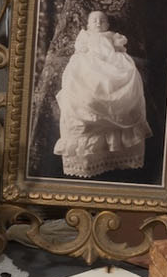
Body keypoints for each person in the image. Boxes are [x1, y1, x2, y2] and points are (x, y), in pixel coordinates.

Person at [52, 11, 151, 178]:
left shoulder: (112, 36)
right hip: (90, 67)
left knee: (122, 86)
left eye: (102, 20)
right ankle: (89, 152)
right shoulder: (85, 36)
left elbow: (120, 49)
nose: (98, 23)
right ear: (88, 25)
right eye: (94, 20)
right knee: (84, 92)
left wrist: (119, 54)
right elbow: (80, 51)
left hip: (112, 66)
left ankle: (118, 152)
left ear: (108, 25)